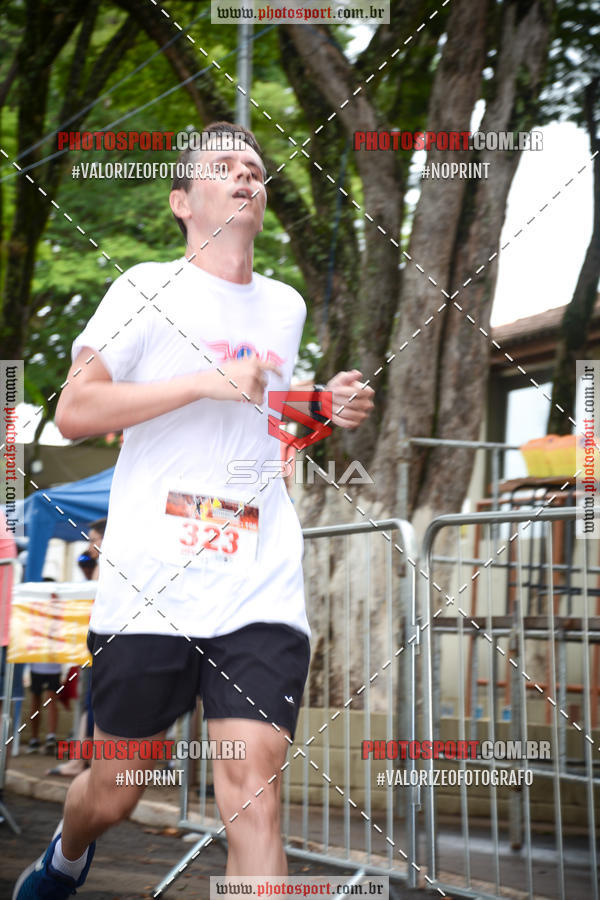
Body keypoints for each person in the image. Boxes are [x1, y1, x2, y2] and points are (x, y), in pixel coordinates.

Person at [14, 121, 374, 898]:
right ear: (183, 199)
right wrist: (206, 380)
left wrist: (322, 408)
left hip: (257, 581)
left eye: (254, 166)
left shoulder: (284, 307)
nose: (247, 174)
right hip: (153, 583)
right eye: (224, 166)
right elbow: (76, 411)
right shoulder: (144, 287)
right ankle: (68, 851)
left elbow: (265, 425)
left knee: (255, 798)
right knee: (117, 788)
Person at [46, 520, 106, 778]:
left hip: (99, 642)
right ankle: (84, 759)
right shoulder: (99, 564)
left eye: (94, 539)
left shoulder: (106, 565)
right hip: (95, 641)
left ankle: (81, 760)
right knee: (90, 702)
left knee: (91, 702)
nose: (90, 545)